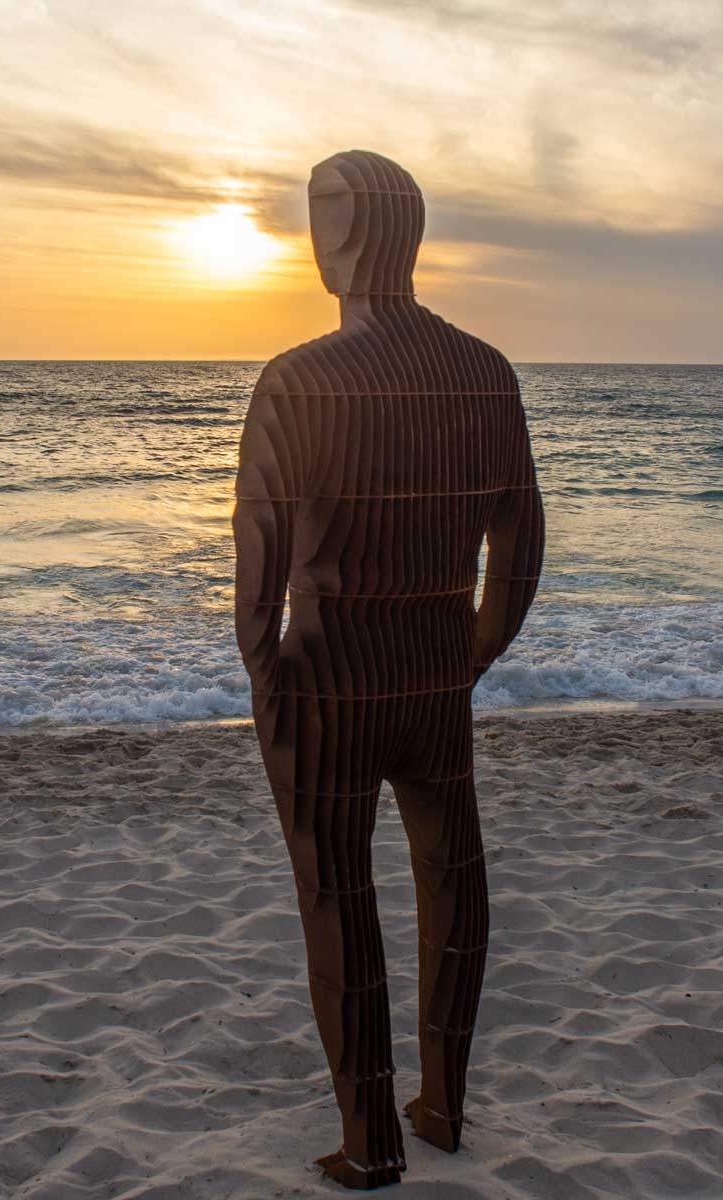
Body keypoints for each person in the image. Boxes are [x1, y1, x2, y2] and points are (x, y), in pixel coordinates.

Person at [232, 148, 544, 1189]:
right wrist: (478, 651)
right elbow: (522, 538)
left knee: (338, 890)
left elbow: (258, 564)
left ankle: (372, 1141)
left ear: (360, 230)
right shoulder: (484, 369)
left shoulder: (300, 381)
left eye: (327, 213)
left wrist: (265, 676)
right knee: (454, 868)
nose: (317, 235)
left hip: (329, 677)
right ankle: (444, 1105)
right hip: (433, 671)